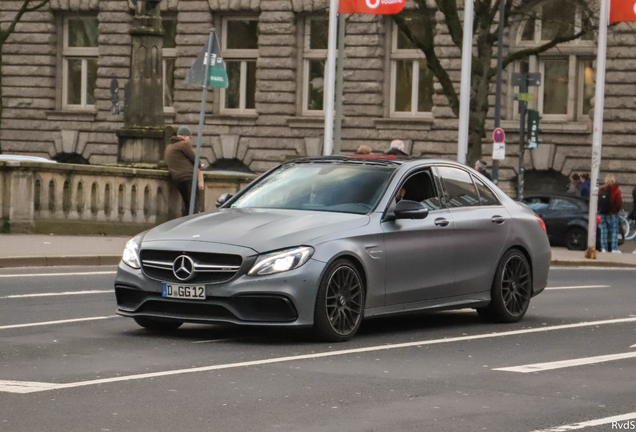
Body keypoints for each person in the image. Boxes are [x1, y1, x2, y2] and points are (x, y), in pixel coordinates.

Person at [164, 126, 204, 214]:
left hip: (177, 179)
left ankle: (185, 222)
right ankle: (194, 223)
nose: (189, 140)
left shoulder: (169, 146)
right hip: (188, 177)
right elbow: (194, 159)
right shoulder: (184, 144)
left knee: (187, 204)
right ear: (185, 137)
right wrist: (200, 165)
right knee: (194, 204)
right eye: (189, 137)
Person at [597, 173, 622, 253]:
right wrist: (616, 210)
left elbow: (598, 201)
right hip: (612, 214)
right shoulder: (616, 190)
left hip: (603, 213)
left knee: (603, 231)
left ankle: (604, 248)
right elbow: (619, 202)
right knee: (614, 231)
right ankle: (614, 248)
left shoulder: (601, 190)